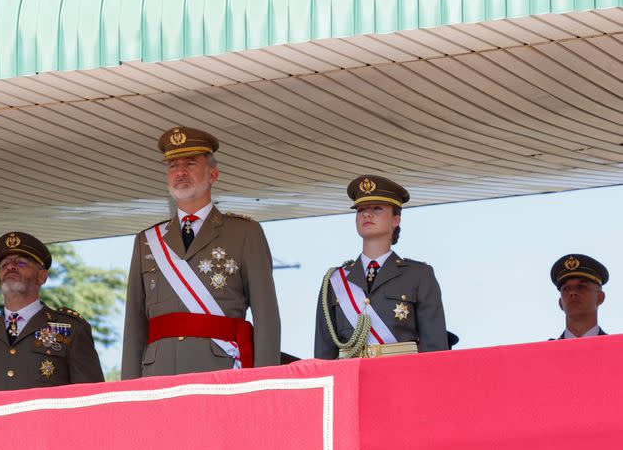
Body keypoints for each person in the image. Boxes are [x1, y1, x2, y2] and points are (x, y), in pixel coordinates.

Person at [121, 127, 281, 379]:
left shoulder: (245, 233)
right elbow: (134, 328)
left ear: (213, 174)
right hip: (157, 375)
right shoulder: (147, 241)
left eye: (190, 163)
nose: (180, 172)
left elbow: (267, 318)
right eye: (173, 165)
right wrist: (128, 391)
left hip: (221, 372)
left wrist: (264, 383)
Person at [314, 175, 448, 358]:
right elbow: (324, 354)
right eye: (361, 210)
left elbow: (435, 349)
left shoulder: (419, 275)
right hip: (352, 382)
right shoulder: (335, 280)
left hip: (401, 380)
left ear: (396, 220)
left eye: (377, 208)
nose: (366, 214)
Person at [0, 232, 104, 394]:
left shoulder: (72, 330)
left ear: (42, 276)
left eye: (21, 263)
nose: (11, 267)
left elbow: (91, 400)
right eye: (4, 265)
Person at [549, 255, 609, 340]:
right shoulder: (546, 351)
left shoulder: (617, 349)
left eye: (582, 287)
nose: (572, 293)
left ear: (600, 297)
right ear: (560, 303)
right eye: (566, 288)